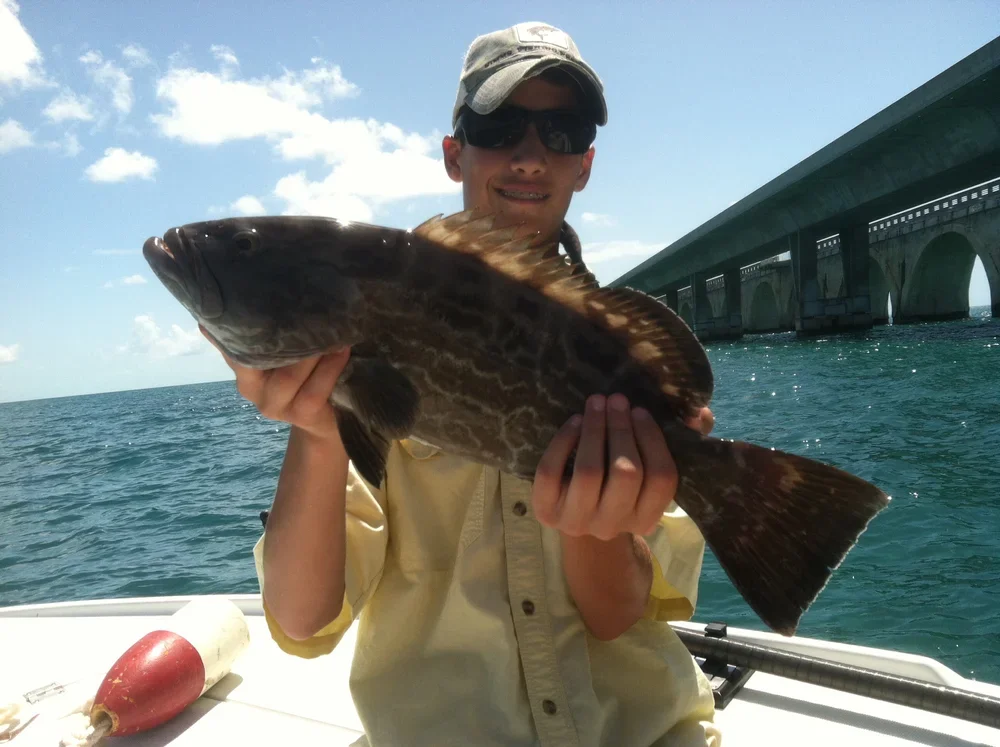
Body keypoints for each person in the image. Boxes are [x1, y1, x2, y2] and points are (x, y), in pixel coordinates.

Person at [204, 21, 722, 747]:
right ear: (456, 153)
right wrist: (318, 428)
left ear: (586, 164)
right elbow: (299, 617)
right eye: (500, 123)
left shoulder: (614, 360)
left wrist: (593, 519)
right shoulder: (373, 325)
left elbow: (615, 616)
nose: (530, 153)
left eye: (562, 130)